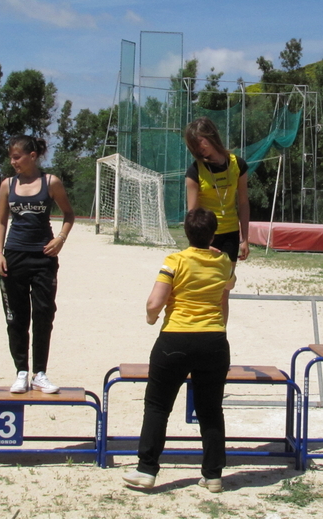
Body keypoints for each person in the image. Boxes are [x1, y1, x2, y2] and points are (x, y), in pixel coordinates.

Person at [123, 207, 234, 493]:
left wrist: (151, 319)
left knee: (158, 405)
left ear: (186, 232)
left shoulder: (175, 260)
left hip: (176, 338)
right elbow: (227, 288)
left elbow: (154, 303)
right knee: (211, 410)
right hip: (214, 340)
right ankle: (213, 475)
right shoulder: (224, 262)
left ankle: (147, 469)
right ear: (213, 233)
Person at [0, 135, 75, 394]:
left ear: (32, 156)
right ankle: (21, 372)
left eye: (17, 157)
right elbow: (1, 222)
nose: (13, 161)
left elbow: (69, 215)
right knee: (16, 318)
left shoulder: (51, 182)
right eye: (11, 157)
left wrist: (60, 239)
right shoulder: (7, 184)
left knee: (43, 315)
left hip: (43, 258)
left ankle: (40, 373)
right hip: (14, 256)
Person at [184, 117, 249, 322]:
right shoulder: (194, 171)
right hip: (205, 237)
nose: (198, 148)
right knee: (203, 291)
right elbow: (192, 214)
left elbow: (244, 202)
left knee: (223, 292)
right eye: (194, 145)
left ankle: (220, 334)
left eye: (201, 141)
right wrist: (198, 244)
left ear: (211, 136)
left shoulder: (237, 164)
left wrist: (244, 239)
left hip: (230, 234)